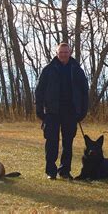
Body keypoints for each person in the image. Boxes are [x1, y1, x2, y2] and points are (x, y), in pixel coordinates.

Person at [35, 43, 89, 180]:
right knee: (51, 142)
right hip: (52, 112)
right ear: (57, 53)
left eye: (66, 52)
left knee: (68, 143)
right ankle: (50, 171)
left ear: (70, 53)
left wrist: (82, 111)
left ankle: (65, 171)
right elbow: (39, 91)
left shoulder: (77, 70)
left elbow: (84, 92)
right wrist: (40, 111)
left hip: (70, 112)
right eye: (61, 52)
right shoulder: (48, 70)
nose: (64, 54)